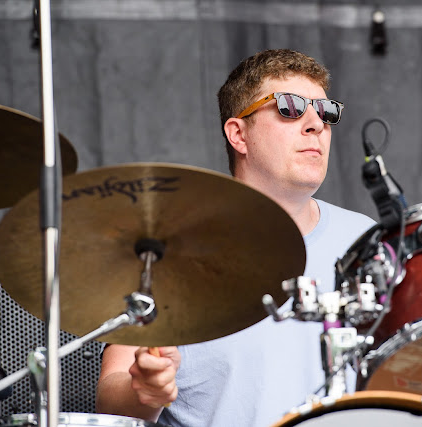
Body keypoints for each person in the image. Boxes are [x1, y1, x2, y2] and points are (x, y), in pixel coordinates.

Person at [95, 49, 376, 427]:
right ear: (239, 134)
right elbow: (111, 397)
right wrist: (145, 389)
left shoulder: (366, 239)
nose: (316, 124)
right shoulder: (169, 251)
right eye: (290, 108)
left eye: (326, 112)